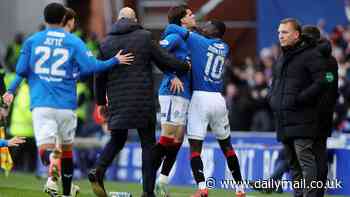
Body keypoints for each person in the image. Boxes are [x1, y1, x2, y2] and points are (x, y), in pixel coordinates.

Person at [2, 3, 134, 197]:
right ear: (64, 18)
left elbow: (21, 70)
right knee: (67, 151)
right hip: (66, 106)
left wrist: (11, 91)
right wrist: (114, 60)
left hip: (42, 104)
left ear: (45, 18)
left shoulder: (33, 41)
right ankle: (66, 193)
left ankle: (51, 159)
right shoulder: (73, 41)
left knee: (46, 153)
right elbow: (91, 67)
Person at [89, 7, 190, 197]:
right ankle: (147, 192)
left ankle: (98, 170)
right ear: (134, 19)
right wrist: (184, 66)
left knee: (117, 139)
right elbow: (164, 59)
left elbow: (99, 74)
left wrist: (101, 102)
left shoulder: (106, 43)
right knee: (147, 145)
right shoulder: (144, 37)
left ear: (119, 19)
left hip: (118, 101)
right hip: (142, 102)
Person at [164, 21, 245, 197]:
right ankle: (240, 189)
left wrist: (194, 28)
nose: (204, 25)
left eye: (208, 25)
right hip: (218, 99)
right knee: (227, 146)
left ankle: (202, 189)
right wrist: (198, 31)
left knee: (195, 148)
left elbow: (171, 27)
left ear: (214, 31)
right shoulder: (224, 47)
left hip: (200, 98)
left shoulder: (198, 41)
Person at [267, 18, 332, 197]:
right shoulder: (282, 57)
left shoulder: (312, 55)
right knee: (293, 163)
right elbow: (274, 84)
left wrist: (300, 99)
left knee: (305, 160)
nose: (280, 36)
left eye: (285, 32)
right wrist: (272, 98)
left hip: (304, 117)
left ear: (296, 35)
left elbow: (323, 81)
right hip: (284, 118)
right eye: (279, 32)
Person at [153, 5, 196, 197]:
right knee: (168, 136)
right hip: (172, 92)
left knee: (178, 139)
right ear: (182, 20)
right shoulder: (175, 37)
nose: (193, 15)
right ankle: (147, 175)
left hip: (184, 94)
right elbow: (157, 53)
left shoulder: (188, 37)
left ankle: (162, 182)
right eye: (189, 14)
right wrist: (171, 75)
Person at [301, 25, 338, 197]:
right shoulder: (331, 60)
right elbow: (332, 87)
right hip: (326, 114)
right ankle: (319, 193)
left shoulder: (307, 59)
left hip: (309, 114)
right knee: (320, 154)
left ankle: (307, 193)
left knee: (305, 157)